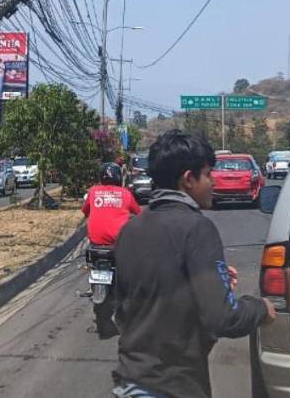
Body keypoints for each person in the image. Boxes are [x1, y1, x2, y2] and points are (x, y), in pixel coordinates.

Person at [111, 130, 275, 398]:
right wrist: (260, 309)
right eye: (208, 175)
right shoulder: (197, 228)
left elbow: (126, 308)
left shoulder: (131, 229)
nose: (214, 183)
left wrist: (202, 280)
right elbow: (223, 318)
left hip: (130, 383)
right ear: (188, 179)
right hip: (173, 385)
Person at [82, 163, 141, 339]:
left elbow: (85, 211)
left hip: (96, 245)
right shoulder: (125, 194)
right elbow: (138, 213)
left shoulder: (93, 192)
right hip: (118, 246)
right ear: (118, 178)